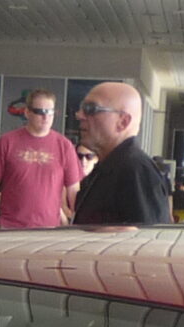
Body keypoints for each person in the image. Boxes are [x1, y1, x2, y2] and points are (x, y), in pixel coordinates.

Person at [0, 88, 83, 229]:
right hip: (9, 229)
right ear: (27, 113)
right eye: (40, 112)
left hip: (49, 231)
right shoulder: (7, 142)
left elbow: (74, 192)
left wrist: (79, 227)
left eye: (50, 112)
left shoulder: (65, 146)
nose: (46, 117)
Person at [71, 82, 170, 226]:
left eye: (90, 109)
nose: (79, 115)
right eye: (81, 108)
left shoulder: (135, 170)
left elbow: (146, 237)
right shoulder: (109, 167)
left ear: (123, 122)